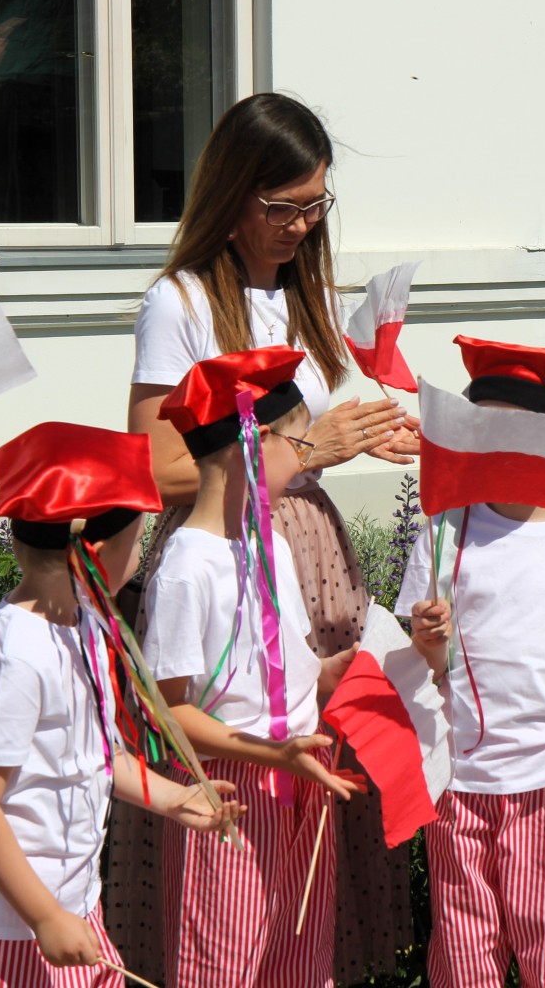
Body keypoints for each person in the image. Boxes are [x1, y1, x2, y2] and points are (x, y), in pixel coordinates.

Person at [121, 92, 413, 983]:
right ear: (232, 192)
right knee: (240, 768)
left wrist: (376, 434)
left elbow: (311, 427)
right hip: (224, 547)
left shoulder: (306, 291)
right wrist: (308, 448)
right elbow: (152, 465)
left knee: (315, 771)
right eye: (282, 206)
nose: (301, 225)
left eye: (316, 205)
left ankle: (305, 958)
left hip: (307, 553)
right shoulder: (178, 301)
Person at [0, 423, 244, 988]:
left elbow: (96, 755)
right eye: (140, 540)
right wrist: (45, 917)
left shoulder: (84, 622)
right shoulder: (14, 657)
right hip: (10, 928)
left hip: (72, 903)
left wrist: (175, 799)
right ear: (99, 553)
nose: (142, 553)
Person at [394, 337, 545, 988]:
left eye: (502, 432)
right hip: (461, 783)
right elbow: (427, 666)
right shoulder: (446, 528)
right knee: (466, 960)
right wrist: (428, 641)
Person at [144, 350, 367, 988]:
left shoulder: (269, 541)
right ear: (254, 442)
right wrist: (272, 755)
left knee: (301, 962)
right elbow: (166, 712)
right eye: (298, 444)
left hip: (302, 774)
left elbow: (291, 667)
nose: (305, 460)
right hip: (232, 792)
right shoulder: (187, 567)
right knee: (226, 965)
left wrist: (337, 671)